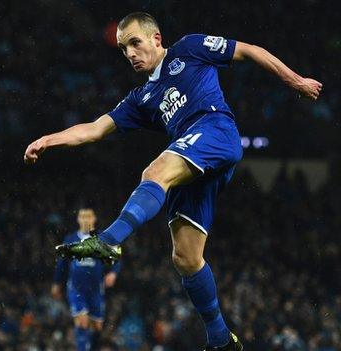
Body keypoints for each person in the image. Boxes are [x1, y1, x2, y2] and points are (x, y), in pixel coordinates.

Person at [24, 12, 322, 351]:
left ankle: (108, 239)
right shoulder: (141, 98)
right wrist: (49, 138)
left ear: (156, 38)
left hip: (215, 130)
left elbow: (249, 50)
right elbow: (93, 129)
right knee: (186, 258)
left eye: (135, 43)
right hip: (193, 159)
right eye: (124, 49)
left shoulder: (190, 49)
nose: (131, 54)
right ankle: (221, 339)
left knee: (154, 173)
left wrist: (295, 80)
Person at [52, 208, 119, 351]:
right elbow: (61, 263)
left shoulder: (102, 237)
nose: (85, 219)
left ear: (94, 219)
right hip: (77, 288)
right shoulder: (70, 239)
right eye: (82, 217)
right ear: (78, 219)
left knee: (97, 327)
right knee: (82, 322)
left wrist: (113, 273)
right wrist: (56, 283)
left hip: (95, 288)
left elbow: (116, 257)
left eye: (88, 216)